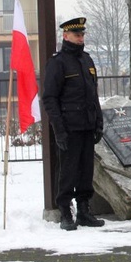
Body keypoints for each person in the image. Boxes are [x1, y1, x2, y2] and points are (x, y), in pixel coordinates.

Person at [42, 17, 105, 231]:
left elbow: (93, 95)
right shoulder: (57, 63)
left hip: (87, 125)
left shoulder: (87, 60)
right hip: (69, 127)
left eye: (82, 35)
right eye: (77, 35)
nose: (80, 38)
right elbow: (50, 98)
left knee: (86, 171)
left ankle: (84, 210)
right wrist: (58, 129)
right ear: (65, 36)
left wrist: (98, 121)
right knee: (68, 171)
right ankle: (66, 212)